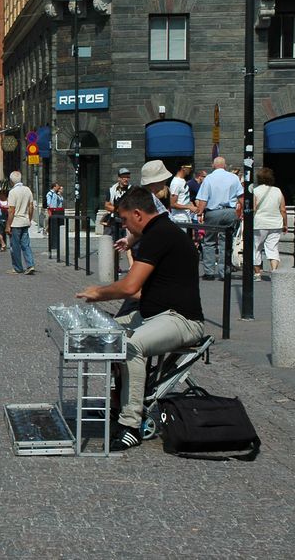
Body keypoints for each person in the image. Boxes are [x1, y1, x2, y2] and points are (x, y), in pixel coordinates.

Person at [77, 186, 205, 451]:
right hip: (154, 314)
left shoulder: (160, 236)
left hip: (181, 319)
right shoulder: (158, 231)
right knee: (105, 335)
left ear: (137, 214)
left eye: (124, 220)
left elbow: (129, 288)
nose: (124, 226)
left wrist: (97, 293)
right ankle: (117, 403)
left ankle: (130, 424)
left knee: (131, 347)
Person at [194, 156, 243, 281]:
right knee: (226, 242)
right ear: (225, 165)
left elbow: (203, 199)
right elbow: (241, 196)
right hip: (230, 211)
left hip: (213, 212)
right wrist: (242, 211)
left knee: (209, 241)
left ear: (213, 165)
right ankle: (224, 272)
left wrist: (200, 213)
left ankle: (209, 272)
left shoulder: (209, 178)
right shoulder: (233, 178)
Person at [253, 167, 287, 280]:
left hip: (259, 223)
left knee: (256, 248)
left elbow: (253, 208)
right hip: (275, 223)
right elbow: (283, 209)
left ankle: (257, 274)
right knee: (272, 248)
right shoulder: (277, 191)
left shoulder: (255, 191)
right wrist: (285, 224)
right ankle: (274, 271)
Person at [5, 170, 35, 275]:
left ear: (11, 181)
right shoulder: (27, 190)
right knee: (26, 245)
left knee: (15, 246)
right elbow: (31, 206)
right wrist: (29, 219)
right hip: (25, 221)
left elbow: (11, 210)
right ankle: (30, 264)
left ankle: (18, 267)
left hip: (15, 222)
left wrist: (8, 225)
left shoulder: (12, 192)